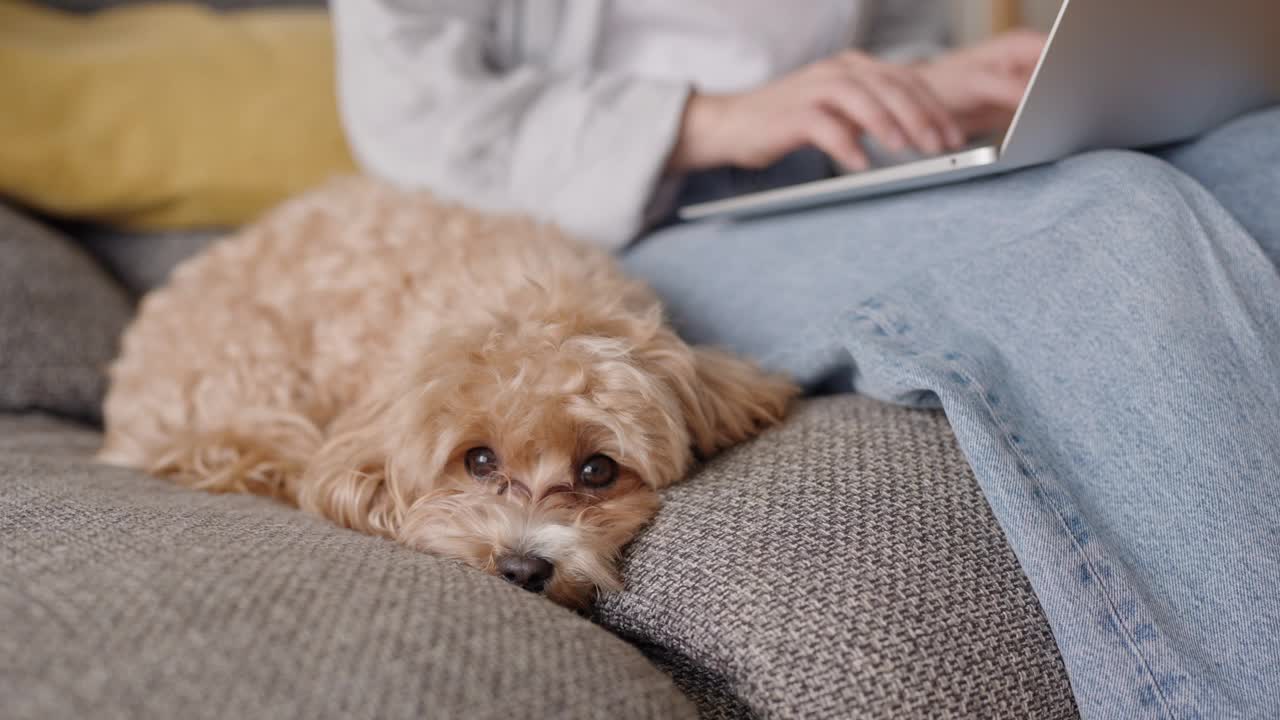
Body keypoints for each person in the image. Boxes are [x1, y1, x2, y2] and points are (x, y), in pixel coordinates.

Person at [331, 3, 1280, 718]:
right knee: (1114, 212)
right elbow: (416, 115)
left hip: (841, 169)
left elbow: (885, 30)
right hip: (627, 219)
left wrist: (929, 86)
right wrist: (714, 119)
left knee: (1261, 156)